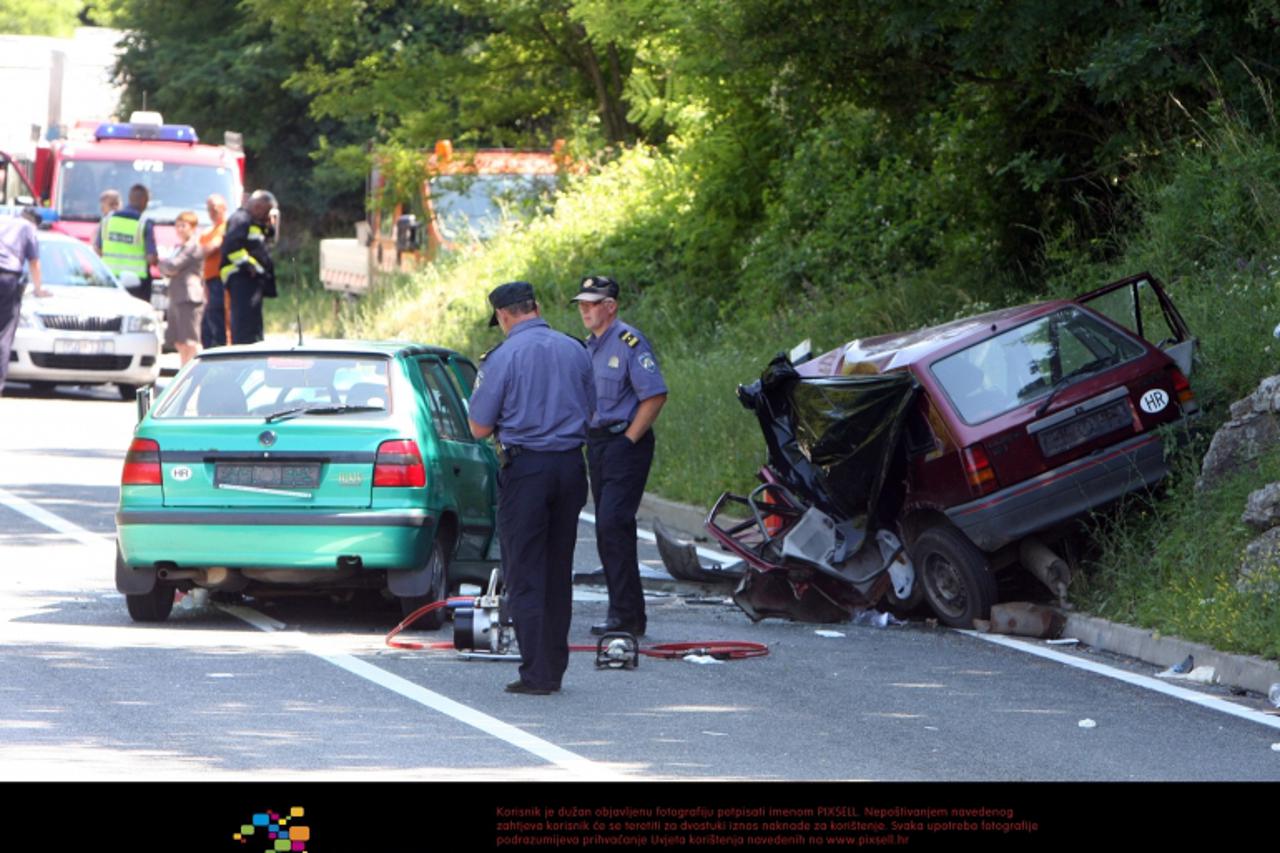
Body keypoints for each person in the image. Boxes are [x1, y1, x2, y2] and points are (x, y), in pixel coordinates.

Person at [467, 281, 595, 695]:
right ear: (536, 307)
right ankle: (554, 669)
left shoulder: (502, 358)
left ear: (503, 316)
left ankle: (536, 673)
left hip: (526, 471)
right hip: (571, 467)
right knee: (558, 570)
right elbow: (592, 410)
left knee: (524, 571)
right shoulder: (575, 349)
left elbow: (478, 427)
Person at [570, 275, 668, 637]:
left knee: (612, 524)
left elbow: (654, 395)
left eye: (592, 304)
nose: (584, 310)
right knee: (608, 529)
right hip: (597, 444)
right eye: (581, 304)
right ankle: (628, 614)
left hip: (625, 443)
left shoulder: (629, 342)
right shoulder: (588, 348)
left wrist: (628, 440)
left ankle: (625, 614)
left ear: (610, 306)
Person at [0, 208, 49, 395]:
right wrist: (38, 289)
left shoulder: (3, 220)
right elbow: (34, 262)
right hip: (7, 279)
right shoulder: (28, 227)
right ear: (35, 222)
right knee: (4, 333)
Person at [219, 190, 277, 344]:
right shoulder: (240, 219)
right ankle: (244, 352)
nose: (267, 215)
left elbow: (261, 243)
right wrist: (249, 265)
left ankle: (254, 348)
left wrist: (269, 226)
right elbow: (231, 247)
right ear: (258, 207)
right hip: (241, 277)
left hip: (250, 280)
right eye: (267, 211)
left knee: (253, 323)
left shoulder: (253, 222)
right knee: (244, 324)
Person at [158, 210, 206, 366]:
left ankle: (195, 372)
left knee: (190, 341)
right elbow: (167, 267)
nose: (179, 229)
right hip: (176, 296)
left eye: (183, 226)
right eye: (177, 226)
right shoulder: (179, 247)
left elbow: (172, 266)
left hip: (188, 297)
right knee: (179, 341)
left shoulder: (193, 247)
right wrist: (165, 266)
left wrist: (165, 265)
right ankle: (184, 370)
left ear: (193, 227)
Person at [100, 184, 158, 305]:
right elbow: (151, 258)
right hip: (138, 284)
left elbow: (98, 250)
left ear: (129, 199)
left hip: (110, 279)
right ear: (145, 201)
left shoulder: (107, 220)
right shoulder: (144, 223)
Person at [198, 194, 229, 347]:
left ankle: (220, 347)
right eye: (209, 209)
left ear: (224, 208)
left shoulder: (226, 227)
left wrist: (202, 251)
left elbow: (210, 248)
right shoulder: (207, 232)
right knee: (207, 319)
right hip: (207, 280)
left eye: (215, 209)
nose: (211, 213)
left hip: (220, 280)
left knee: (217, 314)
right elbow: (200, 253)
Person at [92, 189, 121, 257]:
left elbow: (97, 249)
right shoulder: (103, 224)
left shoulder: (106, 223)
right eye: (111, 204)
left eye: (117, 203)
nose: (115, 207)